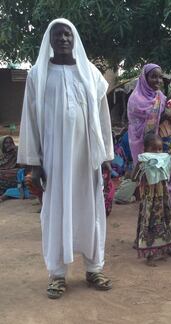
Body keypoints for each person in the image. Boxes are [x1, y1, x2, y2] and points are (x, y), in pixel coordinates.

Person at [17, 19, 114, 299]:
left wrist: (106, 155)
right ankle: (57, 275)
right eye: (57, 34)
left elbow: (103, 116)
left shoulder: (90, 73)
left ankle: (94, 268)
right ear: (49, 39)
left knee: (91, 210)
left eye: (67, 34)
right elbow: (30, 121)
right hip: (55, 160)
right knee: (55, 213)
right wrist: (34, 165)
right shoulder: (38, 74)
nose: (62, 39)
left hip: (86, 158)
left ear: (75, 39)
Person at [127, 63, 171, 231]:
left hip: (167, 152)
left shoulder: (161, 96)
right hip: (149, 154)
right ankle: (150, 234)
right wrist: (162, 114)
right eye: (153, 76)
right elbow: (142, 129)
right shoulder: (135, 100)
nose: (158, 80)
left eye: (160, 77)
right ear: (144, 78)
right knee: (152, 196)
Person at [133, 133, 171, 266]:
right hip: (149, 199)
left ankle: (170, 247)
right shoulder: (143, 160)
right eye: (154, 149)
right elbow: (133, 177)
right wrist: (142, 165)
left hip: (163, 197)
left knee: (167, 220)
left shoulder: (164, 158)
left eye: (160, 149)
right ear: (145, 149)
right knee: (149, 222)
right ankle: (150, 254)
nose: (158, 152)